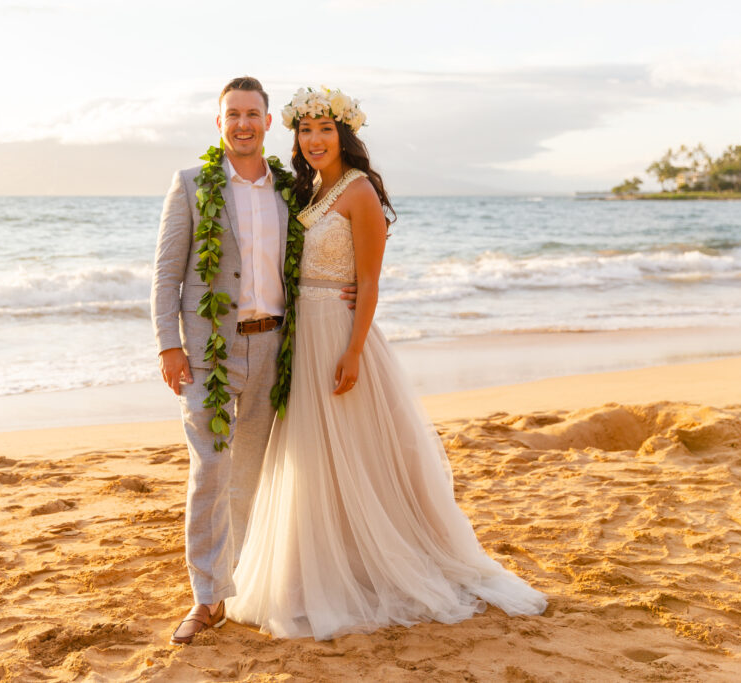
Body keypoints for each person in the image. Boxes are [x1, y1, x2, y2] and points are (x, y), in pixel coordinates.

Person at [227, 87, 548, 640]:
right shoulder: (304, 193)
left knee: (354, 454)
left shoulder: (359, 192)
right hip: (301, 335)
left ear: (345, 134)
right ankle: (318, 566)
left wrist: (352, 350)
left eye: (325, 129)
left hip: (339, 338)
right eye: (305, 131)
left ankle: (371, 566)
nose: (314, 140)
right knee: (312, 455)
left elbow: (371, 280)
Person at [150, 77, 355, 645]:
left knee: (251, 475)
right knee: (209, 471)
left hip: (273, 345)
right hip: (208, 350)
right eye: (232, 114)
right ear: (219, 123)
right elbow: (167, 272)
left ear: (268, 123)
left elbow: (326, 247)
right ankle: (206, 598)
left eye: (252, 114)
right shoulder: (192, 184)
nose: (243, 123)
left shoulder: (291, 189)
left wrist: (342, 294)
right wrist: (169, 344)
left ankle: (245, 586)